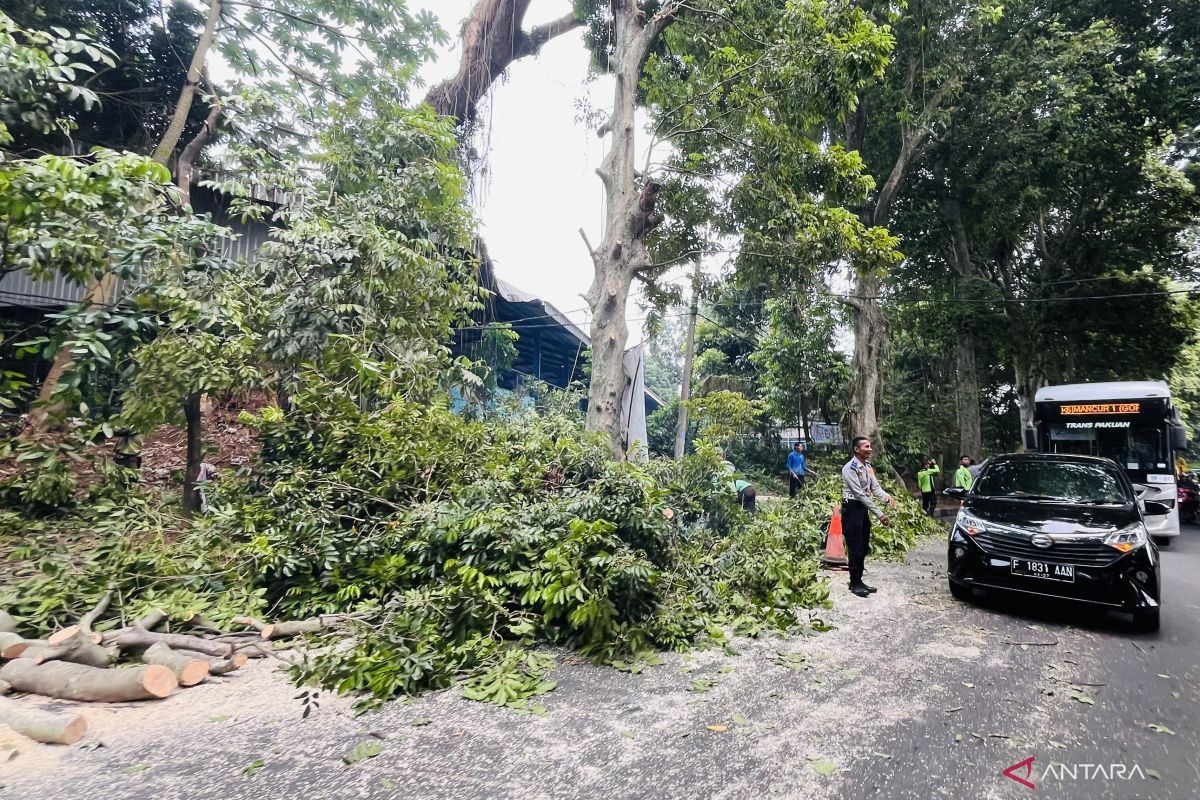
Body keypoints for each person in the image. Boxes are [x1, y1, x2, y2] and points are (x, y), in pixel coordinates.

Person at [840, 436, 896, 597]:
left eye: (870, 446)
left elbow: (875, 488)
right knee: (855, 546)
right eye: (866, 447)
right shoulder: (850, 468)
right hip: (852, 508)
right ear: (857, 450)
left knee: (863, 545)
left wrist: (887, 497)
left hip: (863, 509)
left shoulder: (867, 466)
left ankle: (859, 579)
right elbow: (859, 494)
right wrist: (880, 514)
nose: (869, 449)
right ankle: (855, 582)